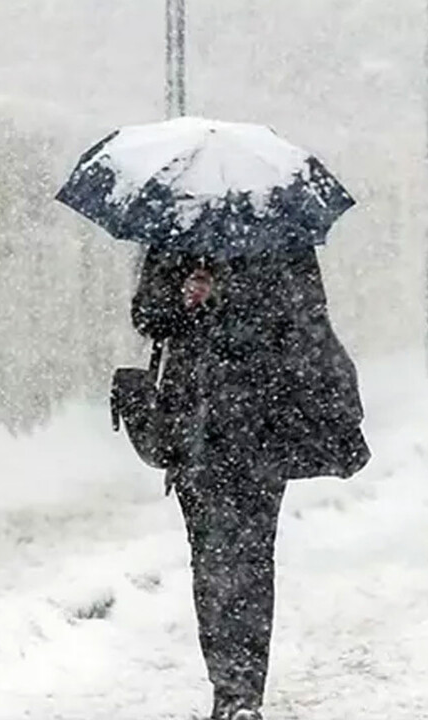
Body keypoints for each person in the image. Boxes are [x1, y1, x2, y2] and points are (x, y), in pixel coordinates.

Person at [131, 243, 370, 720]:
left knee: (254, 559)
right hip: (193, 429)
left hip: (262, 426)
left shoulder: (284, 242)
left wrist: (233, 298)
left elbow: (307, 321)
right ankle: (227, 685)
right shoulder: (175, 239)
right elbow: (146, 316)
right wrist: (182, 300)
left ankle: (245, 692)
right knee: (210, 560)